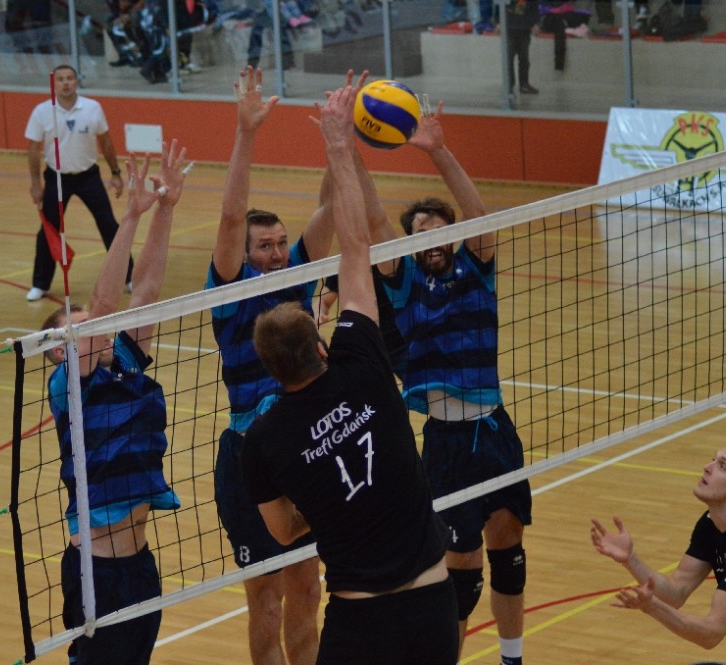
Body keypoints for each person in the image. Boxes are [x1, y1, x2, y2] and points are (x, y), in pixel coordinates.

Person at [241, 81, 458, 665]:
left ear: (271, 370)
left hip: (358, 620)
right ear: (322, 344)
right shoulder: (364, 365)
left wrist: (324, 499)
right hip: (432, 605)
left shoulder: (264, 439)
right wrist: (339, 143)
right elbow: (357, 246)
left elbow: (283, 531)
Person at [367, 102, 531, 665]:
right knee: (460, 570)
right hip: (442, 441)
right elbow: (374, 221)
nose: (430, 238)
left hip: (493, 430)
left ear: (454, 237)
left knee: (508, 548)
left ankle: (512, 658)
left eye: (439, 231)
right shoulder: (403, 283)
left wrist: (438, 150)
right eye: (420, 233)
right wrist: (349, 151)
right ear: (410, 245)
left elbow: (478, 212)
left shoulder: (475, 269)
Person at [41, 142, 188, 665]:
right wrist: (129, 217)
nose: (95, 327)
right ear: (59, 350)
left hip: (140, 566)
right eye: (80, 327)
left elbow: (144, 290)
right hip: (95, 571)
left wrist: (165, 208)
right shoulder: (69, 384)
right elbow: (107, 303)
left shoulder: (124, 359)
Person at [205, 65, 331, 665]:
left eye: (281, 242)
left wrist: (343, 141)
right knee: (267, 600)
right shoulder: (230, 290)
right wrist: (246, 132)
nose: (277, 253)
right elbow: (231, 218)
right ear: (246, 252)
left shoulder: (299, 275)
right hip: (248, 456)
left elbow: (331, 208)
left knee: (308, 589)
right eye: (266, 246)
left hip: (303, 446)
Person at [590, 445, 726, 663]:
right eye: (713, 459)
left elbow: (711, 633)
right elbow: (675, 592)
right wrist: (630, 559)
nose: (707, 467)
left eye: (722, 466)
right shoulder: (710, 525)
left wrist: (652, 607)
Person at [25, 64, 133, 302]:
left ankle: (128, 276)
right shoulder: (42, 111)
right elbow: (33, 149)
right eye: (61, 79)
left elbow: (106, 141)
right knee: (48, 230)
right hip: (56, 178)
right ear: (54, 84)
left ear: (76, 81)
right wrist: (36, 184)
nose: (66, 83)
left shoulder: (92, 108)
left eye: (70, 78)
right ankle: (40, 284)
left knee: (109, 224)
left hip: (88, 177)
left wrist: (115, 173)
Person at [505, 0, 539, 95]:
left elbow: (534, 6)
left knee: (524, 59)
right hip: (510, 27)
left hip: (524, 28)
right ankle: (509, 85)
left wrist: (535, 23)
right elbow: (499, 6)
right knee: (509, 59)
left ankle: (524, 84)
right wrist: (498, 21)